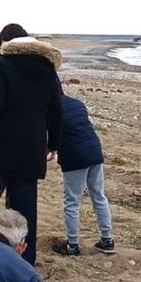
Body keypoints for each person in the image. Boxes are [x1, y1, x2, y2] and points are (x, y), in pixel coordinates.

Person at [0, 23, 63, 266]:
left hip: (2, 145)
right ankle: (23, 263)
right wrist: (53, 144)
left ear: (5, 43)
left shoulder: (4, 63)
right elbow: (57, 111)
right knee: (24, 213)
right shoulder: (48, 67)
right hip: (32, 148)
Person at [52, 88, 115, 255]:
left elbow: (53, 134)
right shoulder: (77, 104)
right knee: (99, 196)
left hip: (75, 157)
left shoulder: (50, 107)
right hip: (94, 151)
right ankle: (107, 239)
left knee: (71, 202)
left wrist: (49, 149)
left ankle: (72, 245)